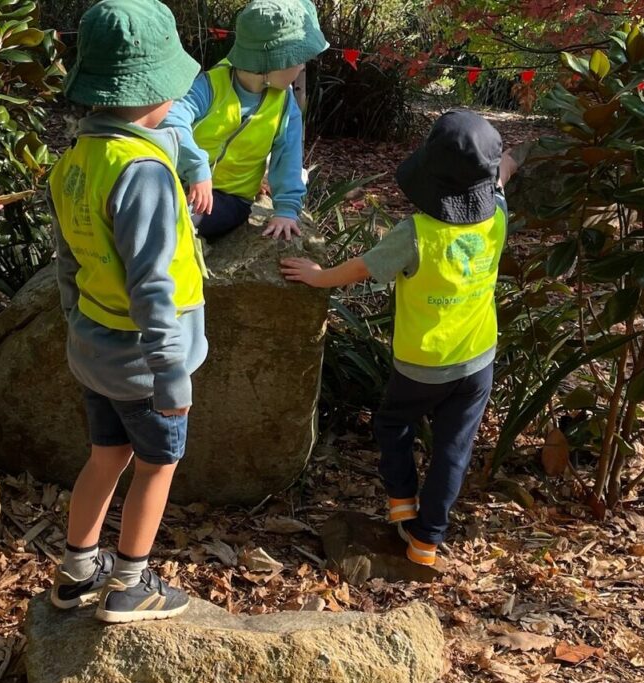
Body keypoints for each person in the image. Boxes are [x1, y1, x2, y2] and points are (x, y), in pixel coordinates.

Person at [281, 110, 519, 568]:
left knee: (393, 424)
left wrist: (317, 277)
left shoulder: (416, 234)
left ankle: (401, 501)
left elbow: (363, 268)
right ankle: (426, 542)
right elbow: (502, 178)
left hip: (421, 363)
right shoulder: (498, 216)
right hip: (476, 360)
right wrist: (507, 161)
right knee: (453, 448)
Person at [46, 0, 206, 623]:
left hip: (95, 350)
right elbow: (154, 284)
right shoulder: (143, 171)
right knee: (157, 465)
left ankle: (77, 572)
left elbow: (68, 262)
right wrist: (172, 374)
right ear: (156, 92)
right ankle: (132, 585)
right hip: (145, 364)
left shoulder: (78, 161)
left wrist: (74, 327)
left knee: (104, 457)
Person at [162, 0, 327, 241]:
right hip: (178, 180)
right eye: (297, 61)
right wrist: (197, 168)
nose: (302, 66)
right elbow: (171, 119)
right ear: (271, 65)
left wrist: (287, 210)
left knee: (179, 218)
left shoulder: (284, 105)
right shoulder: (211, 84)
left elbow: (288, 159)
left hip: (229, 199)